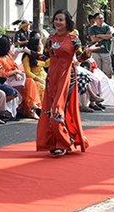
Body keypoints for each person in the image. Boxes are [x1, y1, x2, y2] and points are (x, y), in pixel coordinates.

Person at [36, 9, 89, 154]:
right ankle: (54, 143)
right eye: (56, 19)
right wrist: (31, 54)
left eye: (61, 20)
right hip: (52, 78)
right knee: (49, 110)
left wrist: (87, 53)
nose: (58, 22)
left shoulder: (73, 39)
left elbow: (79, 58)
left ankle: (63, 143)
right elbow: (45, 57)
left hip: (67, 77)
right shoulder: (51, 39)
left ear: (67, 22)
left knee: (58, 110)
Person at [0, 36, 38, 119]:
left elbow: (15, 66)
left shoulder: (8, 56)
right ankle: (30, 109)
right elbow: (1, 74)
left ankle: (31, 106)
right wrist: (14, 72)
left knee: (30, 81)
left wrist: (16, 73)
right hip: (6, 81)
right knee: (26, 86)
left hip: (15, 79)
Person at [86, 13, 114, 77]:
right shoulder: (92, 28)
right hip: (95, 51)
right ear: (95, 20)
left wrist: (99, 35)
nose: (101, 20)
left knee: (107, 70)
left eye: (102, 18)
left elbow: (109, 36)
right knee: (97, 71)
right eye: (99, 18)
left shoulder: (107, 27)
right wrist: (104, 36)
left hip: (105, 50)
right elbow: (93, 39)